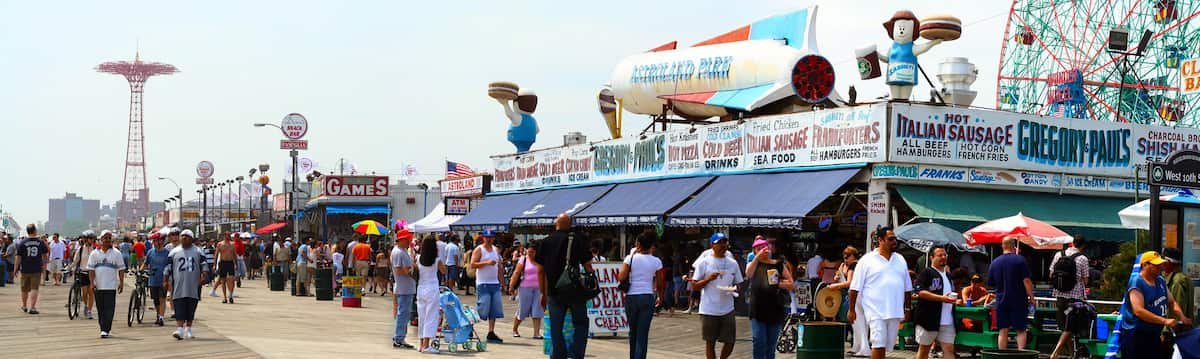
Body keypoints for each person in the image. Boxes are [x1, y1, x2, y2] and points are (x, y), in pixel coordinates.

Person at [535, 214, 596, 359]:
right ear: (570, 225)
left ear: (556, 224)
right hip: (575, 290)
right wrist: (591, 281)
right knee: (581, 323)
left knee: (556, 326)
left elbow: (540, 270)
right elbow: (588, 265)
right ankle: (577, 354)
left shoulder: (545, 242)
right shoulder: (578, 240)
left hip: (555, 291)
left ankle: (559, 355)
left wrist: (543, 293)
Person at [848, 227, 912, 359]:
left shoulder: (900, 259)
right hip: (875, 310)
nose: (895, 241)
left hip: (894, 310)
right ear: (880, 240)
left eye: (895, 239)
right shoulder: (866, 260)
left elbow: (907, 288)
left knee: (885, 345)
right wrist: (851, 309)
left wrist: (907, 308)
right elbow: (854, 288)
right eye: (891, 239)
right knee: (878, 342)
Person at [1120, 251, 1193, 358]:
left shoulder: (1160, 280)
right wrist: (1165, 321)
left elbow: (1172, 302)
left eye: (1161, 264)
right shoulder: (1137, 282)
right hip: (1136, 335)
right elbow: (1138, 311)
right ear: (1145, 265)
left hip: (1154, 335)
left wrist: (1182, 317)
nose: (1160, 267)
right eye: (1156, 265)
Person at [690, 232, 743, 359]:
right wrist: (708, 279)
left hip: (727, 308)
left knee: (730, 341)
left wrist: (733, 289)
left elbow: (739, 284)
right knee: (710, 342)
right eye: (719, 243)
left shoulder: (732, 263)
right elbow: (695, 285)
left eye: (724, 242)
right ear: (712, 245)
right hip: (709, 309)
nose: (723, 245)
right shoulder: (704, 262)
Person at [745, 236, 794, 359]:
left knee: (771, 344)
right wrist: (757, 257)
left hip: (775, 309)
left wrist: (778, 283)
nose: (763, 250)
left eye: (765, 247)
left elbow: (791, 284)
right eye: (759, 248)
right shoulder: (754, 264)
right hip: (757, 309)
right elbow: (748, 273)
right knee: (758, 341)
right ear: (755, 251)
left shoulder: (778, 264)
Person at [986, 236, 1035, 350]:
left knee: (1003, 330)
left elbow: (991, 283)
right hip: (1018, 299)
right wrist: (1031, 297)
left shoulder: (995, 262)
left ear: (1002, 246)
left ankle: (1002, 355)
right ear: (1014, 246)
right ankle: (1021, 354)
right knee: (1021, 330)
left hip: (1001, 300)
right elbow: (1026, 281)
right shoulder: (1020, 260)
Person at [914, 246, 959, 359]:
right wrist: (941, 298)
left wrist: (956, 301)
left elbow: (949, 294)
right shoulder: (927, 272)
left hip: (947, 320)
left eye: (945, 255)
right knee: (924, 349)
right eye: (940, 255)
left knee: (949, 349)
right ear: (932, 258)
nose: (943, 257)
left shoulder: (948, 275)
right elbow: (920, 292)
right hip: (928, 319)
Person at [1049, 235, 1090, 359]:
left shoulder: (1058, 255)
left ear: (1072, 243)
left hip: (1059, 296)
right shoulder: (1082, 258)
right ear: (1083, 246)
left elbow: (1051, 274)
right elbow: (1086, 280)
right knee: (1070, 326)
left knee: (1064, 326)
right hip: (1074, 300)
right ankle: (1055, 353)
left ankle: (1072, 354)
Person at [165, 230, 207, 340]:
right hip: (178, 284)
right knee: (178, 305)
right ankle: (179, 329)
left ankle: (188, 328)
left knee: (191, 306)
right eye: (182, 236)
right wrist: (165, 280)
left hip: (193, 284)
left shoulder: (198, 251)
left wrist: (204, 275)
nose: (184, 238)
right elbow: (167, 267)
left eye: (187, 236)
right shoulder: (174, 252)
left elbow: (204, 265)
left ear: (191, 238)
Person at [827, 245, 867, 357]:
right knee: (855, 321)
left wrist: (835, 285)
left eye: (847, 256)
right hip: (854, 294)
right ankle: (857, 346)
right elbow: (839, 275)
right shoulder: (847, 265)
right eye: (844, 256)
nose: (845, 258)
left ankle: (863, 347)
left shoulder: (854, 265)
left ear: (853, 255)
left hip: (855, 294)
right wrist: (838, 275)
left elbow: (850, 282)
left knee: (858, 321)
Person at [87, 230, 126, 338]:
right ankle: (103, 328)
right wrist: (91, 283)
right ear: (101, 239)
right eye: (105, 238)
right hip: (98, 286)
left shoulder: (117, 253)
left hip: (111, 286)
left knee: (109, 308)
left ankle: (106, 329)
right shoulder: (94, 253)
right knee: (100, 309)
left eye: (109, 238)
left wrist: (121, 282)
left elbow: (121, 269)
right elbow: (90, 269)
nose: (107, 240)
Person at [471, 229, 507, 343]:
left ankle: (491, 332)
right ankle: (469, 325)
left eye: (491, 237)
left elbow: (499, 267)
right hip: (483, 283)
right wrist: (486, 263)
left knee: (494, 309)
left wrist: (502, 283)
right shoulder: (479, 249)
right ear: (483, 238)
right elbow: (472, 264)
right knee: (482, 308)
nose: (489, 239)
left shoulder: (496, 250)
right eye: (487, 237)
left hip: (494, 283)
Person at [1161, 247, 1194, 358]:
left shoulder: (1177, 281)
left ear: (1169, 262)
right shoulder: (1183, 278)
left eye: (1163, 261)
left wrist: (1166, 333)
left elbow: (1176, 309)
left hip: (1174, 333)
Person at [416, 235, 446, 354]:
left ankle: (421, 344)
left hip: (421, 287)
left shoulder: (418, 258)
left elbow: (417, 271)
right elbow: (444, 271)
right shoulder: (437, 260)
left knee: (422, 316)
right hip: (432, 288)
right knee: (431, 316)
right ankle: (426, 345)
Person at [509, 240, 544, 339]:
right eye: (529, 251)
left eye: (533, 252)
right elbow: (516, 273)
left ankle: (536, 333)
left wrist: (545, 291)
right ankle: (515, 329)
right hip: (525, 288)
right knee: (523, 310)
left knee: (537, 310)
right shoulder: (523, 259)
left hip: (538, 288)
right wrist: (511, 286)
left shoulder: (541, 260)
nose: (530, 254)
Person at [390, 229, 417, 349]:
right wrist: (410, 270)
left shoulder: (403, 251)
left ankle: (400, 336)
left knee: (405, 313)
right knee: (403, 313)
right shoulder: (398, 252)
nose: (409, 241)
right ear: (401, 240)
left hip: (407, 287)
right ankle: (399, 337)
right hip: (403, 287)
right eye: (407, 239)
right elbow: (398, 270)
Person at [15, 224, 49, 314]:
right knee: (34, 288)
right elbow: (45, 254)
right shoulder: (40, 242)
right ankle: (33, 307)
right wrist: (44, 263)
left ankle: (24, 306)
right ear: (35, 231)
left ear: (27, 231)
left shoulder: (22, 242)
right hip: (36, 268)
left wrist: (15, 269)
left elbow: (18, 258)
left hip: (25, 268)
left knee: (24, 289)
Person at [143, 234, 171, 326]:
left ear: (163, 241)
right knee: (156, 300)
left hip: (163, 279)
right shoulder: (150, 252)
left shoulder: (167, 253)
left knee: (162, 298)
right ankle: (158, 315)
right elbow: (145, 264)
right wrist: (140, 270)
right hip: (153, 279)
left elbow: (170, 265)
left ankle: (161, 317)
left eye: (159, 241)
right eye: (154, 241)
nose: (157, 243)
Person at [215, 234, 238, 303]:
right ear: (224, 236)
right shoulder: (220, 244)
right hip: (222, 263)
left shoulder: (232, 244)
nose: (229, 237)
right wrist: (214, 265)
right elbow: (216, 255)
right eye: (228, 235)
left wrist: (236, 264)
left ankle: (230, 294)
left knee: (232, 279)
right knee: (223, 281)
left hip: (230, 263)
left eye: (229, 235)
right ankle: (224, 297)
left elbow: (235, 255)